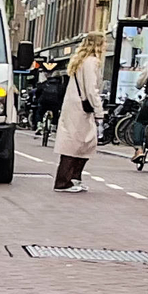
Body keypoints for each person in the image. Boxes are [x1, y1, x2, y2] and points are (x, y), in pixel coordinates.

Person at [52, 32, 106, 192]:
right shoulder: (92, 62)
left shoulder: (81, 61)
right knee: (77, 143)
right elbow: (91, 89)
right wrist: (99, 111)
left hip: (75, 106)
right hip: (81, 108)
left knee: (81, 143)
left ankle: (74, 178)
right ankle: (64, 181)